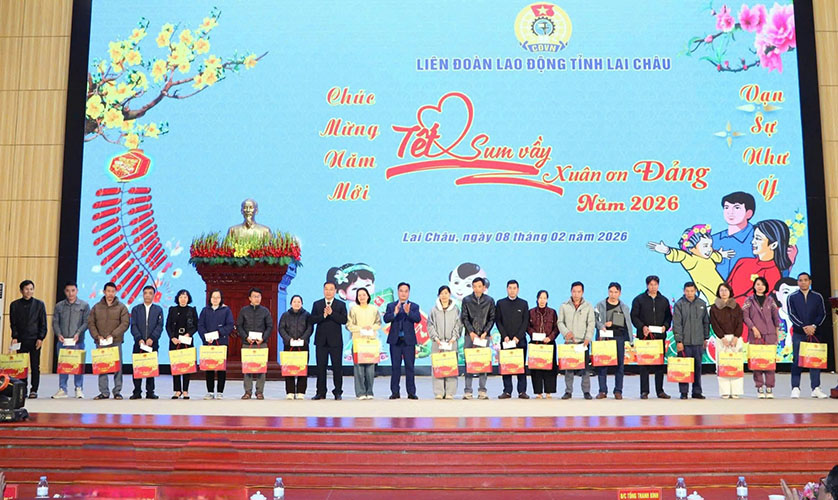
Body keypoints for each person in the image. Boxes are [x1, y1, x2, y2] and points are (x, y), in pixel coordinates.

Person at [727, 219, 792, 310]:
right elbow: (726, 288)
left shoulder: (773, 273)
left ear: (773, 245)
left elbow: (754, 302)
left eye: (758, 239)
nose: (753, 242)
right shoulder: (743, 262)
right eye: (754, 237)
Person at [630, 275, 672, 399]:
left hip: (659, 337)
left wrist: (665, 326)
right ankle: (644, 391)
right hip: (645, 337)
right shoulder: (639, 299)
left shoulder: (664, 300)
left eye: (655, 284)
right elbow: (634, 316)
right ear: (647, 285)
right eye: (651, 284)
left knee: (659, 365)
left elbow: (669, 317)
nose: (653, 287)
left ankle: (660, 391)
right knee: (644, 365)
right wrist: (642, 327)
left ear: (658, 285)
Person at [788, 272, 828, 399]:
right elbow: (791, 314)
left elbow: (822, 314)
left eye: (805, 280)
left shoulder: (817, 297)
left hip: (815, 333)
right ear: (797, 282)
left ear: (810, 282)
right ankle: (795, 388)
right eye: (800, 280)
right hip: (799, 333)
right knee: (796, 360)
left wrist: (813, 326)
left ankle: (816, 388)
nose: (803, 282)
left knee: (814, 360)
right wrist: (804, 327)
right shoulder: (792, 297)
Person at [88, 282, 129, 400]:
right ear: (104, 292)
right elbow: (91, 323)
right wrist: (97, 336)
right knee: (102, 367)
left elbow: (125, 323)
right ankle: (104, 392)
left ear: (115, 292)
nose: (110, 294)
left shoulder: (121, 307)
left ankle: (117, 391)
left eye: (113, 291)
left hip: (115, 341)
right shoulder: (96, 307)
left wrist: (113, 335)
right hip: (101, 342)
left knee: (117, 367)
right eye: (108, 291)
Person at [594, 282, 633, 400]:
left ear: (619, 293)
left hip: (619, 337)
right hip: (604, 337)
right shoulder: (600, 305)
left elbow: (628, 324)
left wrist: (630, 340)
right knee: (602, 364)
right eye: (611, 292)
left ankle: (618, 391)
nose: (613, 294)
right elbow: (595, 320)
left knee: (620, 365)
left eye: (616, 292)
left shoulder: (624, 307)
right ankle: (602, 390)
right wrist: (602, 326)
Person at [8, 280, 47, 399]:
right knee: (21, 366)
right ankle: (22, 389)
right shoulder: (14, 305)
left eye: (31, 289)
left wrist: (41, 338)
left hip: (35, 339)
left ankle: (34, 390)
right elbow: (13, 323)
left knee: (35, 366)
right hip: (21, 340)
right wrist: (14, 337)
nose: (29, 291)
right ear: (21, 291)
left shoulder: (39, 304)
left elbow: (43, 323)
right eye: (26, 289)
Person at [743, 277, 781, 398]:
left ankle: (769, 387)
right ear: (754, 286)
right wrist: (753, 328)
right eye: (758, 284)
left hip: (770, 335)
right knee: (757, 363)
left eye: (762, 285)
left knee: (769, 362)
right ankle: (759, 387)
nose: (760, 287)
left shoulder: (770, 300)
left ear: (766, 287)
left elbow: (776, 318)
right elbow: (745, 316)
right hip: (755, 335)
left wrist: (777, 334)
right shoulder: (749, 300)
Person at [52, 281, 90, 399]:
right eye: (68, 291)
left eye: (73, 290)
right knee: (63, 365)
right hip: (63, 341)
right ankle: (62, 389)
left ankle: (78, 388)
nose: (71, 293)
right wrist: (58, 334)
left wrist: (78, 333)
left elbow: (86, 322)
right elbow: (55, 322)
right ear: (65, 292)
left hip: (77, 341)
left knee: (78, 365)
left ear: (77, 291)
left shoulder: (84, 305)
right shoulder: (59, 306)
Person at [383, 282, 422, 400]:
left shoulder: (414, 306)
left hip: (408, 341)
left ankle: (411, 392)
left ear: (409, 293)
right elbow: (386, 319)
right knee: (395, 367)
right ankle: (395, 392)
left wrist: (408, 312)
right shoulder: (391, 306)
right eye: (401, 291)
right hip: (395, 341)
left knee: (410, 367)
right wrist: (395, 313)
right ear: (398, 292)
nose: (403, 293)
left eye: (406, 291)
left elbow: (417, 319)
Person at [557, 281, 595, 400]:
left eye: (578, 292)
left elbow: (591, 323)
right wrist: (566, 333)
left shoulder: (588, 306)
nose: (576, 294)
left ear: (582, 292)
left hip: (583, 342)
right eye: (574, 291)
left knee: (585, 369)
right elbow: (560, 322)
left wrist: (588, 338)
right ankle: (568, 391)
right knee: (569, 369)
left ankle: (586, 392)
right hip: (570, 342)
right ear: (571, 292)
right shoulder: (564, 306)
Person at [672, 281, 709, 400]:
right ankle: (684, 392)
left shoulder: (702, 304)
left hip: (698, 341)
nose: (689, 293)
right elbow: (677, 324)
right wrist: (679, 341)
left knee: (698, 367)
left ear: (695, 291)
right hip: (685, 343)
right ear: (684, 291)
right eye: (687, 291)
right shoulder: (679, 304)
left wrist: (706, 338)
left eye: (692, 291)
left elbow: (706, 322)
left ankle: (697, 391)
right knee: (684, 368)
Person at [311, 282, 348, 400]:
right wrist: (323, 316)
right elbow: (312, 320)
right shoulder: (317, 304)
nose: (328, 291)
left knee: (337, 367)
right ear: (323, 290)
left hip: (336, 341)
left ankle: (338, 392)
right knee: (320, 367)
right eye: (326, 289)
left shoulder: (341, 304)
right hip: (321, 341)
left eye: (331, 289)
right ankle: (320, 392)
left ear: (335, 291)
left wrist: (332, 314)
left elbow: (344, 320)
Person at [460, 277, 495, 400]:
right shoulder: (466, 300)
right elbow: (464, 317)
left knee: (483, 363)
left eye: (479, 286)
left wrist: (485, 332)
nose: (477, 289)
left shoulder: (490, 301)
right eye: (474, 286)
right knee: (469, 363)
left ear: (484, 287)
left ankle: (482, 390)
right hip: (470, 336)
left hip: (484, 336)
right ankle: (468, 390)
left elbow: (492, 318)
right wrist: (471, 332)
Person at [495, 280, 530, 399]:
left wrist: (517, 337)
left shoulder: (523, 303)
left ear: (518, 290)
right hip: (506, 341)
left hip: (520, 340)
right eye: (510, 288)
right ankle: (507, 391)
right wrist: (505, 336)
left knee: (521, 366)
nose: (512, 290)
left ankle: (522, 391)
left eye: (514, 288)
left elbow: (525, 322)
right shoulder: (500, 303)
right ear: (507, 289)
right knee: (506, 366)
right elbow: (498, 321)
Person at [197, 289, 235, 400]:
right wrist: (206, 336)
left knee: (221, 368)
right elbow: (200, 325)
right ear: (210, 298)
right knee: (209, 368)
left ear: (221, 299)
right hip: (208, 342)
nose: (215, 299)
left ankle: (220, 391)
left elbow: (230, 325)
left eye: (218, 297)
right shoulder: (205, 310)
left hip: (221, 342)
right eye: (213, 297)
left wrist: (219, 333)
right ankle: (210, 391)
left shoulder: (226, 310)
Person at [238, 288, 273, 400]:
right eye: (254, 296)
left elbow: (270, 326)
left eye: (258, 296)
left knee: (261, 368)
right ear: (250, 298)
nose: (257, 299)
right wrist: (245, 337)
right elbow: (239, 326)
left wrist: (263, 338)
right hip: (247, 343)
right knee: (247, 368)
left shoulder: (265, 311)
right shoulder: (244, 310)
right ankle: (247, 392)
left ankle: (259, 392)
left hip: (261, 343)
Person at [710, 282, 744, 399]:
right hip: (721, 339)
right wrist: (722, 337)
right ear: (718, 292)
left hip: (735, 338)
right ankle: (724, 391)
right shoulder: (714, 308)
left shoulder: (736, 306)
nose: (723, 293)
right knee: (722, 364)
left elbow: (740, 322)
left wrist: (736, 337)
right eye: (721, 290)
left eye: (726, 290)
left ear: (730, 292)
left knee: (735, 364)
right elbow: (714, 324)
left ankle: (736, 391)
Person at [711, 191, 756, 279]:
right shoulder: (713, 240)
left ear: (749, 213)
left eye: (737, 207)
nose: (730, 212)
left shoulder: (758, 237)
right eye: (726, 207)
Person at [428, 285, 463, 399]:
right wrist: (436, 338)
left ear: (450, 294)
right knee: (437, 367)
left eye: (446, 293)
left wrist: (454, 337)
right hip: (437, 343)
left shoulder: (455, 310)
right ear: (438, 295)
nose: (444, 296)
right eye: (442, 293)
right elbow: (430, 325)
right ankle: (439, 392)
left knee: (451, 367)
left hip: (451, 343)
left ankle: (450, 392)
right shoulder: (433, 310)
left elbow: (458, 325)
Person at [129, 286, 163, 400]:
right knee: (137, 367)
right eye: (145, 293)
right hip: (139, 343)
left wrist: (152, 338)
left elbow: (160, 326)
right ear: (143, 295)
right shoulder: (136, 309)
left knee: (150, 367)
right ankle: (137, 391)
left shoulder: (158, 309)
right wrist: (139, 339)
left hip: (152, 343)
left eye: (150, 293)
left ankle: (150, 391)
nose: (148, 295)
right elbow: (133, 325)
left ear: (154, 295)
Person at [346, 288, 381, 400]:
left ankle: (369, 391)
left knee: (370, 369)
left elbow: (378, 323)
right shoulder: (354, 309)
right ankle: (360, 392)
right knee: (359, 369)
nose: (361, 297)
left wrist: (371, 327)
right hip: (358, 342)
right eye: (359, 295)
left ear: (368, 296)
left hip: (370, 342)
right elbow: (349, 325)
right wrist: (361, 328)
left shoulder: (373, 309)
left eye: (364, 295)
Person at [278, 294, 312, 400]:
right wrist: (289, 339)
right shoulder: (285, 315)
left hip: (303, 345)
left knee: (302, 368)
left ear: (302, 303)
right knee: (289, 368)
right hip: (289, 345)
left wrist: (303, 339)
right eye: (294, 302)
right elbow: (281, 328)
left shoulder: (307, 315)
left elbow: (310, 328)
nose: (296, 304)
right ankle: (290, 392)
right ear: (291, 303)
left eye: (299, 302)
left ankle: (301, 391)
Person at [167, 289, 198, 399]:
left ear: (188, 299)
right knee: (176, 366)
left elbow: (196, 325)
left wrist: (189, 334)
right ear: (177, 298)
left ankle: (185, 390)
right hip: (175, 341)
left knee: (186, 366)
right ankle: (177, 390)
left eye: (185, 297)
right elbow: (168, 326)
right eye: (181, 297)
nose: (183, 299)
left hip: (187, 340)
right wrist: (172, 337)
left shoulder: (192, 310)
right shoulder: (172, 310)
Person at [527, 290, 559, 399]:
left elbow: (557, 328)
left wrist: (550, 337)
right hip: (535, 343)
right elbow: (527, 326)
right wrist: (533, 334)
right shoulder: (531, 312)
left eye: (544, 298)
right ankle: (538, 392)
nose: (542, 300)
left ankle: (549, 392)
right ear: (537, 299)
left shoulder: (552, 312)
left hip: (548, 343)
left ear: (547, 300)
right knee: (536, 369)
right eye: (540, 298)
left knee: (550, 368)